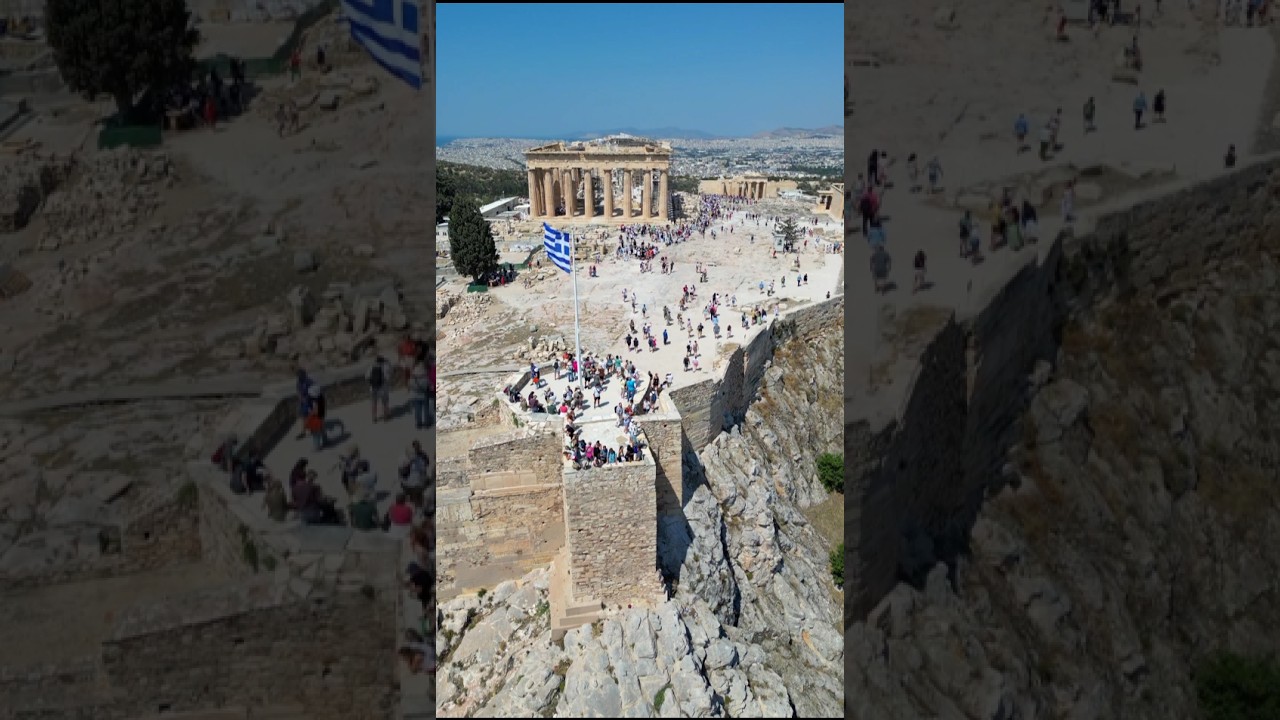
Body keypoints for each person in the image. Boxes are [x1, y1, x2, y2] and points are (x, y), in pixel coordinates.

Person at [367, 355, 393, 422]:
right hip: (383, 388)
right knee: (385, 402)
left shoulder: (371, 366)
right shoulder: (386, 366)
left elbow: (366, 377)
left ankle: (374, 417)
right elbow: (388, 377)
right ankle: (386, 416)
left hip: (373, 388)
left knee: (374, 402)